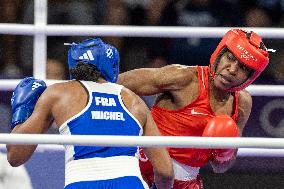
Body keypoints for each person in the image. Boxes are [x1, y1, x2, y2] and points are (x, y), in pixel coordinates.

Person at [6, 38, 174, 189]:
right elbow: (165, 172)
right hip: (130, 182)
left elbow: (15, 157)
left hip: (82, 182)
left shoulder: (59, 93)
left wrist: (21, 114)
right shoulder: (135, 101)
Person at [117, 29, 274, 188]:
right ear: (219, 54)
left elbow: (221, 167)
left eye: (243, 67)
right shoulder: (184, 78)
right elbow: (116, 83)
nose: (232, 69)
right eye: (230, 58)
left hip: (186, 182)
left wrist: (223, 152)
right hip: (140, 172)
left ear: (250, 76)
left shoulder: (242, 102)